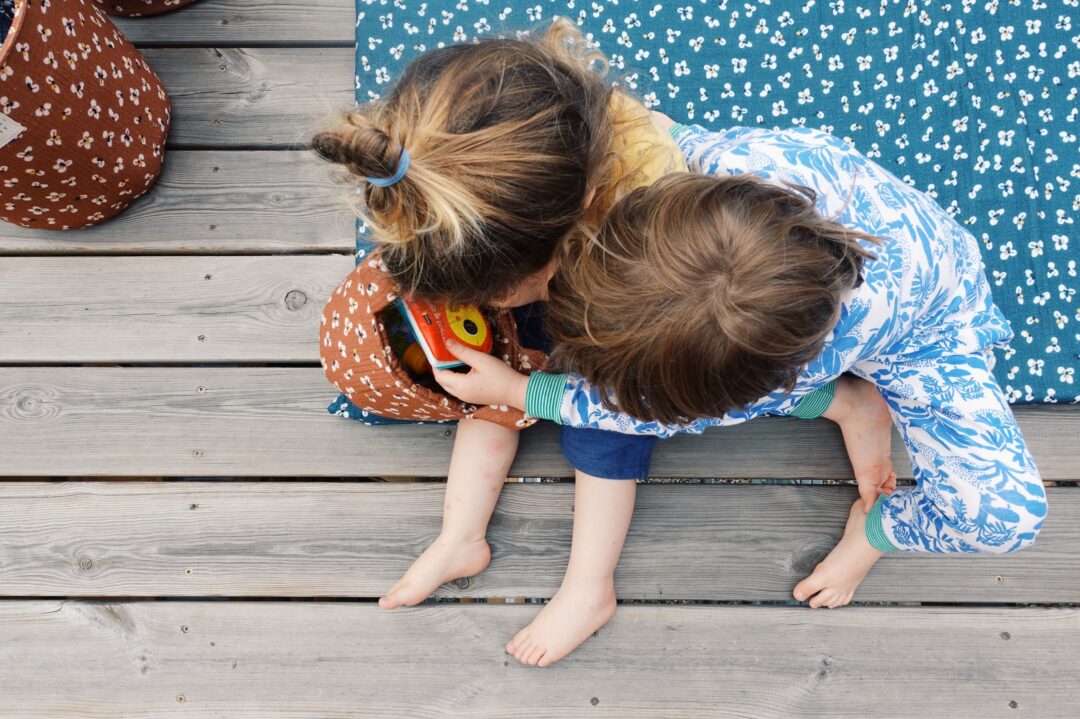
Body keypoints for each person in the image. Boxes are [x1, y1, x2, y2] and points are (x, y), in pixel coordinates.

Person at [314, 22, 890, 668]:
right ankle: (461, 536)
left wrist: (517, 388)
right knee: (476, 365)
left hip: (651, 327)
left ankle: (589, 588)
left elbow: (630, 396)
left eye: (496, 291)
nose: (483, 305)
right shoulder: (528, 134)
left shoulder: (652, 243)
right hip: (579, 266)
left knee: (597, 436)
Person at [438, 119, 1047, 621]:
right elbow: (627, 123)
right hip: (838, 286)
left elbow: (634, 411)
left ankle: (880, 523)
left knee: (999, 520)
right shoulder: (731, 160)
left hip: (932, 330)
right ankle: (854, 405)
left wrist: (519, 388)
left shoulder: (770, 366)